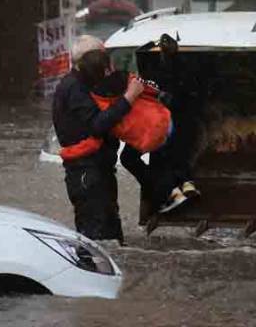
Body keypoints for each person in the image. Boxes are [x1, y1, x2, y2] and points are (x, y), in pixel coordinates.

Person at [53, 36, 144, 242]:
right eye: (101, 60)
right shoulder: (74, 87)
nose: (106, 67)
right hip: (87, 173)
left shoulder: (88, 84)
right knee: (95, 240)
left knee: (111, 235)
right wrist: (129, 97)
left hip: (98, 171)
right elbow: (97, 125)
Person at [90, 70, 199, 214]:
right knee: (171, 146)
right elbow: (152, 89)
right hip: (163, 120)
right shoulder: (128, 78)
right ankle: (187, 183)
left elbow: (103, 123)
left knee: (135, 158)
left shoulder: (96, 97)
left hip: (147, 135)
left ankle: (170, 194)